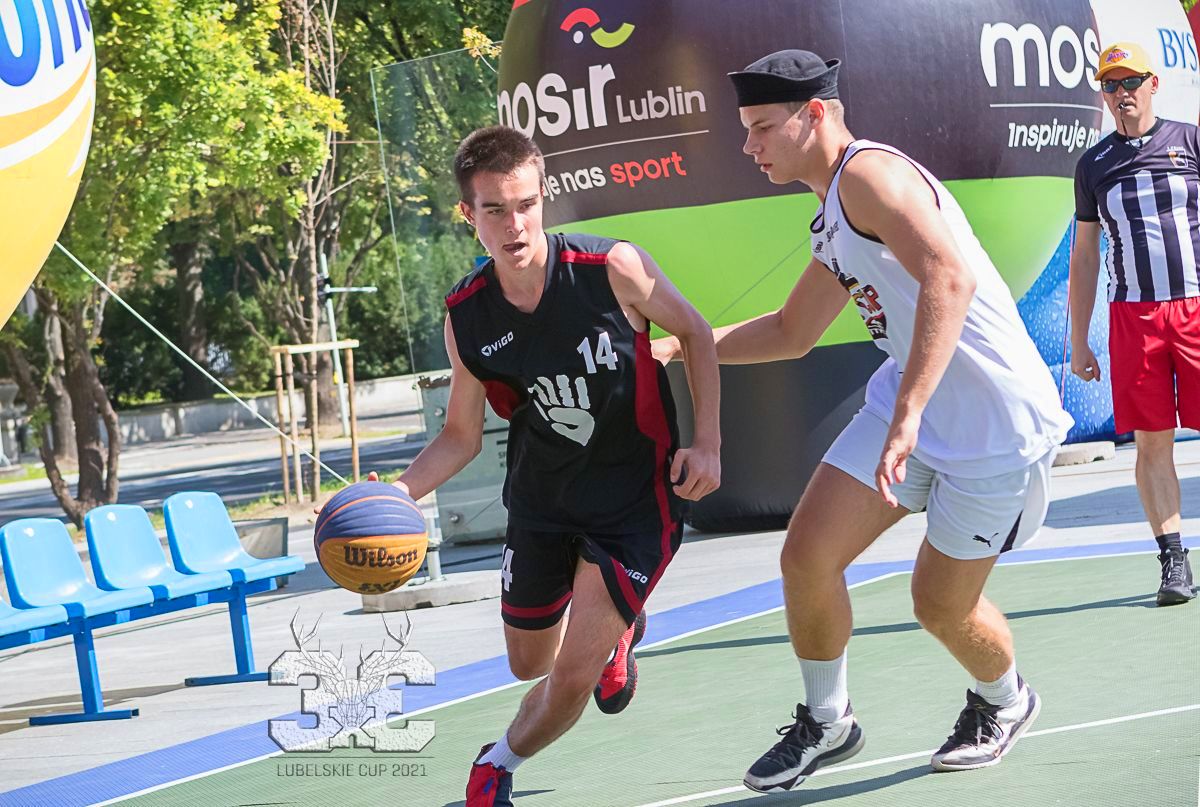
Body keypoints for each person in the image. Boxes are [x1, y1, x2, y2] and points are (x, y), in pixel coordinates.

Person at [655, 49, 1073, 792]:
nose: (748, 146)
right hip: (909, 406)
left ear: (814, 115)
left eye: (761, 128)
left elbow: (950, 276)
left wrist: (909, 414)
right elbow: (792, 331)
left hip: (992, 426)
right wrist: (676, 346)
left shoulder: (872, 177)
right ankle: (828, 720)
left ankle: (1006, 700)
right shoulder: (833, 210)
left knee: (938, 605)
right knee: (807, 556)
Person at [391, 125, 721, 806]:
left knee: (572, 674)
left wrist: (708, 441)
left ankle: (495, 766)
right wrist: (396, 493)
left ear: (544, 196)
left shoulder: (612, 269)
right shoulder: (467, 316)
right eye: (494, 210)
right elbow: (460, 435)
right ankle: (617, 630)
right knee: (528, 663)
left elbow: (694, 330)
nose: (514, 224)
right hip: (542, 500)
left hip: (634, 502)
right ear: (468, 214)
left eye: (525, 205)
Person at [1070, 41, 1197, 607]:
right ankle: (1173, 559)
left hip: (1195, 307)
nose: (1121, 93)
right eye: (1110, 85)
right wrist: (1079, 339)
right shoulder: (1093, 166)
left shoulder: (1190, 141)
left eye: (1130, 82)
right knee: (1151, 442)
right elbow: (1084, 255)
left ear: (1153, 84)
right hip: (1133, 318)